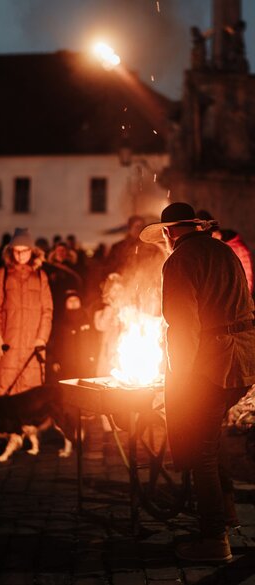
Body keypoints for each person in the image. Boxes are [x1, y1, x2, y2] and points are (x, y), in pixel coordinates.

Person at [140, 202, 255, 563]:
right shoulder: (223, 251)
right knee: (210, 439)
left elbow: (184, 326)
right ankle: (228, 515)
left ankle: (214, 540)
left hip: (210, 366)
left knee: (202, 452)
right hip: (242, 361)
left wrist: (179, 376)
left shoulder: (178, 261)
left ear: (168, 232)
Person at [0, 228, 53, 399]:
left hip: (32, 347)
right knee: (3, 394)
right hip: (8, 346)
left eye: (24, 251)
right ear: (10, 251)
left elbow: (47, 310)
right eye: (16, 251)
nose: (20, 255)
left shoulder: (40, 276)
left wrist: (42, 338)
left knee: (31, 399)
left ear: (32, 251)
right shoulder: (1, 275)